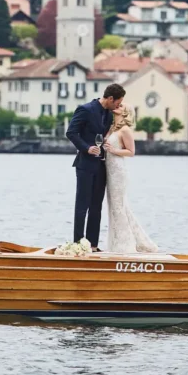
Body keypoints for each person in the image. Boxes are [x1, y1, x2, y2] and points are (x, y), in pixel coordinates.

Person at [66, 82, 125, 251]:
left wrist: (119, 113)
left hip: (101, 165)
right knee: (82, 205)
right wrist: (86, 147)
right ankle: (78, 244)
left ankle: (92, 245)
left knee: (96, 206)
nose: (118, 106)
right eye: (117, 103)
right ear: (110, 98)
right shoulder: (85, 109)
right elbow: (71, 132)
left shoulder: (109, 113)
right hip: (85, 164)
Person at [103, 104, 158, 253]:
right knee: (114, 206)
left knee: (119, 205)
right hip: (108, 169)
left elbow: (131, 152)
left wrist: (114, 150)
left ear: (126, 112)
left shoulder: (125, 130)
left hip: (118, 170)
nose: (117, 106)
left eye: (120, 105)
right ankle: (119, 242)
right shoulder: (112, 128)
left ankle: (124, 245)